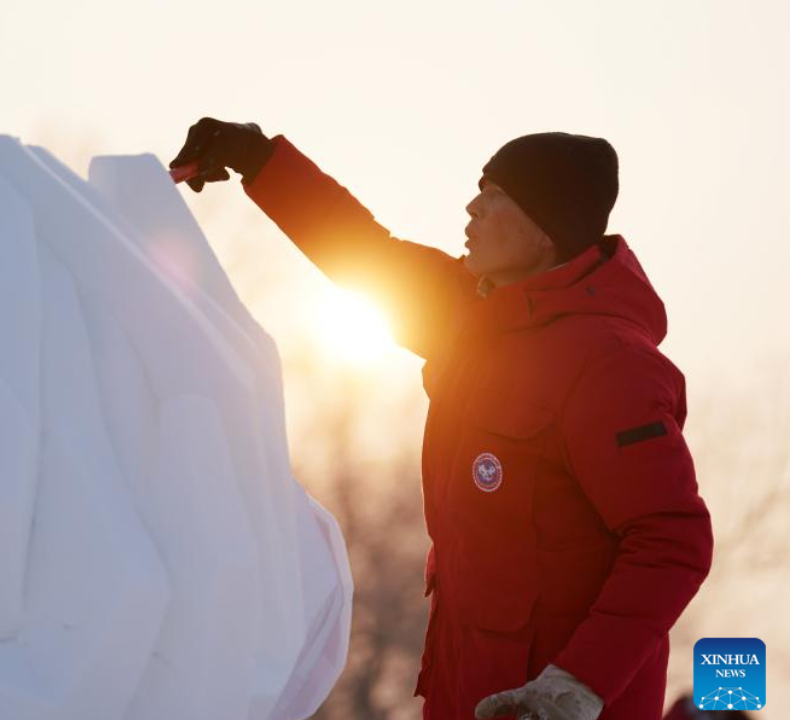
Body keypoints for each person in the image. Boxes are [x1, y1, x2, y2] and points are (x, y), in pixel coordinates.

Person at [169, 119, 714, 720]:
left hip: (559, 707)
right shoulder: (468, 318)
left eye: (496, 194)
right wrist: (258, 158)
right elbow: (364, 253)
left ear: (545, 231)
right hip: (465, 694)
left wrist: (577, 684)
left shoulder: (610, 365)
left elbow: (672, 540)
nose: (472, 205)